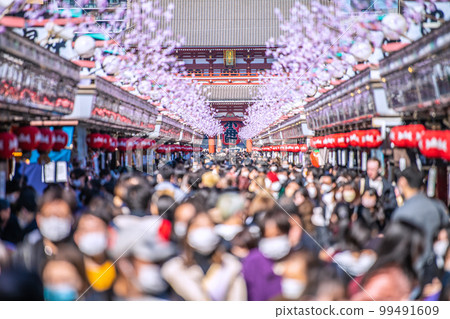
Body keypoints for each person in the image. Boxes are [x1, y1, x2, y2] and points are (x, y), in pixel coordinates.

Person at [162, 212, 246, 300]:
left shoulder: (231, 266)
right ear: (188, 233)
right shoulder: (174, 269)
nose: (203, 230)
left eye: (208, 225)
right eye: (198, 226)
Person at [392, 167, 449, 289]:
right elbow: (445, 234)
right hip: (434, 267)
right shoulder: (438, 206)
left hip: (410, 270)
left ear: (403, 182)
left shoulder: (402, 212)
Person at [13, 186, 77, 276]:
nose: (54, 220)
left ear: (71, 219)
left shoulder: (79, 252)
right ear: (39, 219)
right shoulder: (26, 253)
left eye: (60, 215)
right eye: (49, 215)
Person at [242, 210, 292, 301]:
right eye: (268, 236)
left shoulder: (297, 260)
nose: (273, 240)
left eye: (278, 235)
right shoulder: (253, 261)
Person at [73, 198, 116, 300]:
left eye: (96, 229)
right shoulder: (73, 272)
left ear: (109, 233)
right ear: (76, 236)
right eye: (85, 230)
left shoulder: (120, 268)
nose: (91, 235)